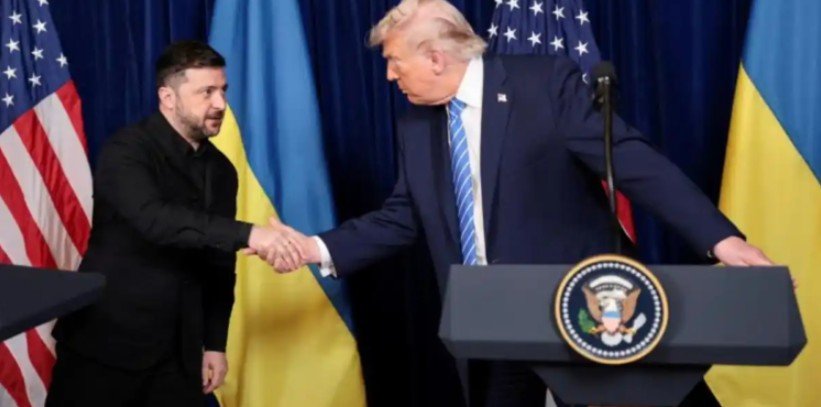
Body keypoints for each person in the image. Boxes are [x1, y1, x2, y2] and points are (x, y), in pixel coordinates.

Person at [261, 1, 773, 406]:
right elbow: (404, 216)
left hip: (584, 308)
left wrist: (720, 240)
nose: (390, 76)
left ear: (435, 57)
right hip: (491, 318)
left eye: (395, 61)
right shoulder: (416, 125)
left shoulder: (544, 83)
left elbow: (632, 160)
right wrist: (313, 248)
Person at [47, 41, 295, 407]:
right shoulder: (126, 149)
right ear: (168, 96)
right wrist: (250, 234)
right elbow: (155, 220)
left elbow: (219, 265)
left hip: (179, 356)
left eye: (223, 90)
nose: (220, 104)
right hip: (105, 346)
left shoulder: (222, 170)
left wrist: (215, 344)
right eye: (206, 92)